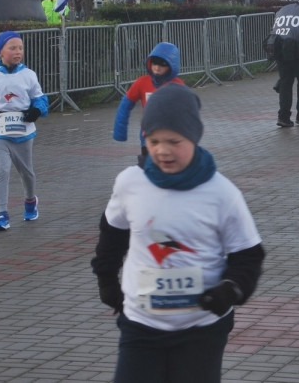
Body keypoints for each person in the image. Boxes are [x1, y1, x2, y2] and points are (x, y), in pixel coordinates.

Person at [91, 82, 265, 383]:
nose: (163, 150)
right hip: (140, 324)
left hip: (202, 327)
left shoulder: (221, 193)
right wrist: (107, 281)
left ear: (194, 137)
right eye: (154, 140)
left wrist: (230, 289)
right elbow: (111, 235)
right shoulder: (129, 183)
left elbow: (248, 255)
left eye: (174, 141)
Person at [0, 31, 47, 230]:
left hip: (23, 131)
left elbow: (40, 98)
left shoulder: (28, 75)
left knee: (27, 172)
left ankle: (31, 201)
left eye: (20, 48)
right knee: (1, 171)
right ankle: (2, 214)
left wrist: (36, 110)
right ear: (1, 52)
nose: (18, 52)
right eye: (12, 48)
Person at [113, 42, 185, 166]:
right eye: (154, 63)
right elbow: (125, 106)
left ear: (171, 65)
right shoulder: (141, 83)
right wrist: (120, 131)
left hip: (171, 138)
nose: (157, 68)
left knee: (169, 169)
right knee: (147, 168)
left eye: (163, 65)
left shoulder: (178, 85)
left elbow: (188, 111)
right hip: (148, 137)